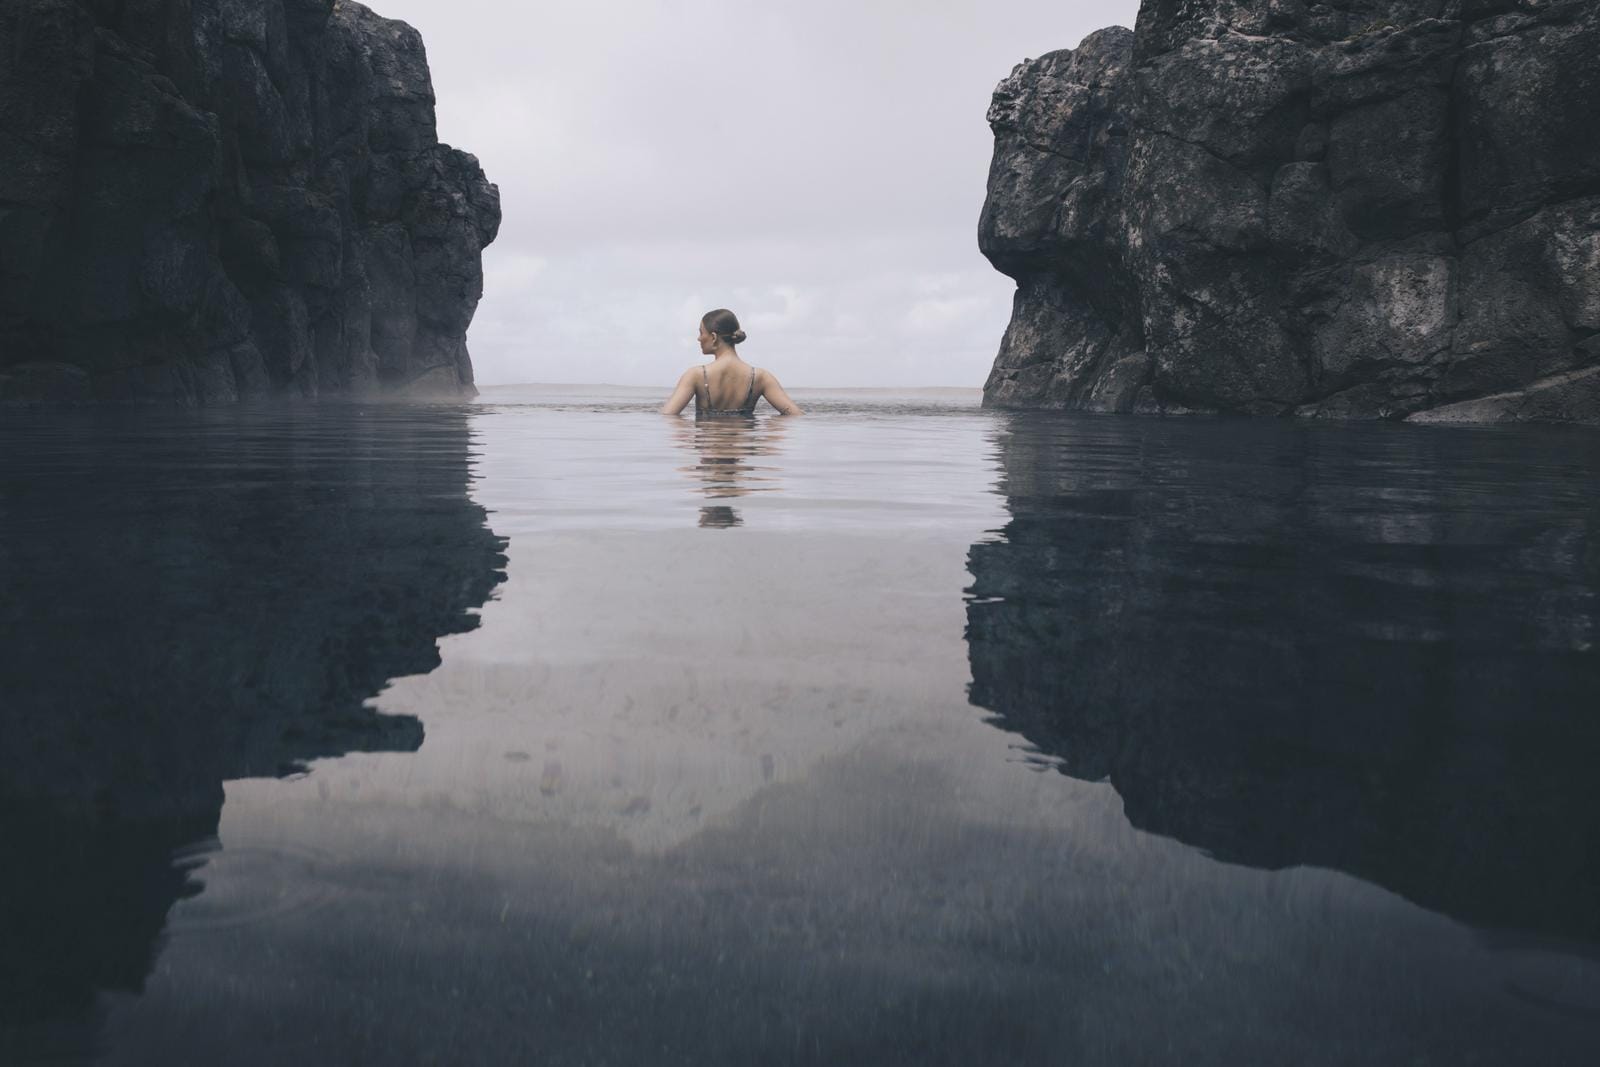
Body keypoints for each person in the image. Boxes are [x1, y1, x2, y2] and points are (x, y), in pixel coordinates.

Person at [658, 309, 804, 417]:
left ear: (713, 337)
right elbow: (795, 415)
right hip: (741, 452)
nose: (698, 338)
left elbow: (668, 415)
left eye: (701, 332)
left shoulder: (695, 375)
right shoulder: (761, 377)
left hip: (708, 451)